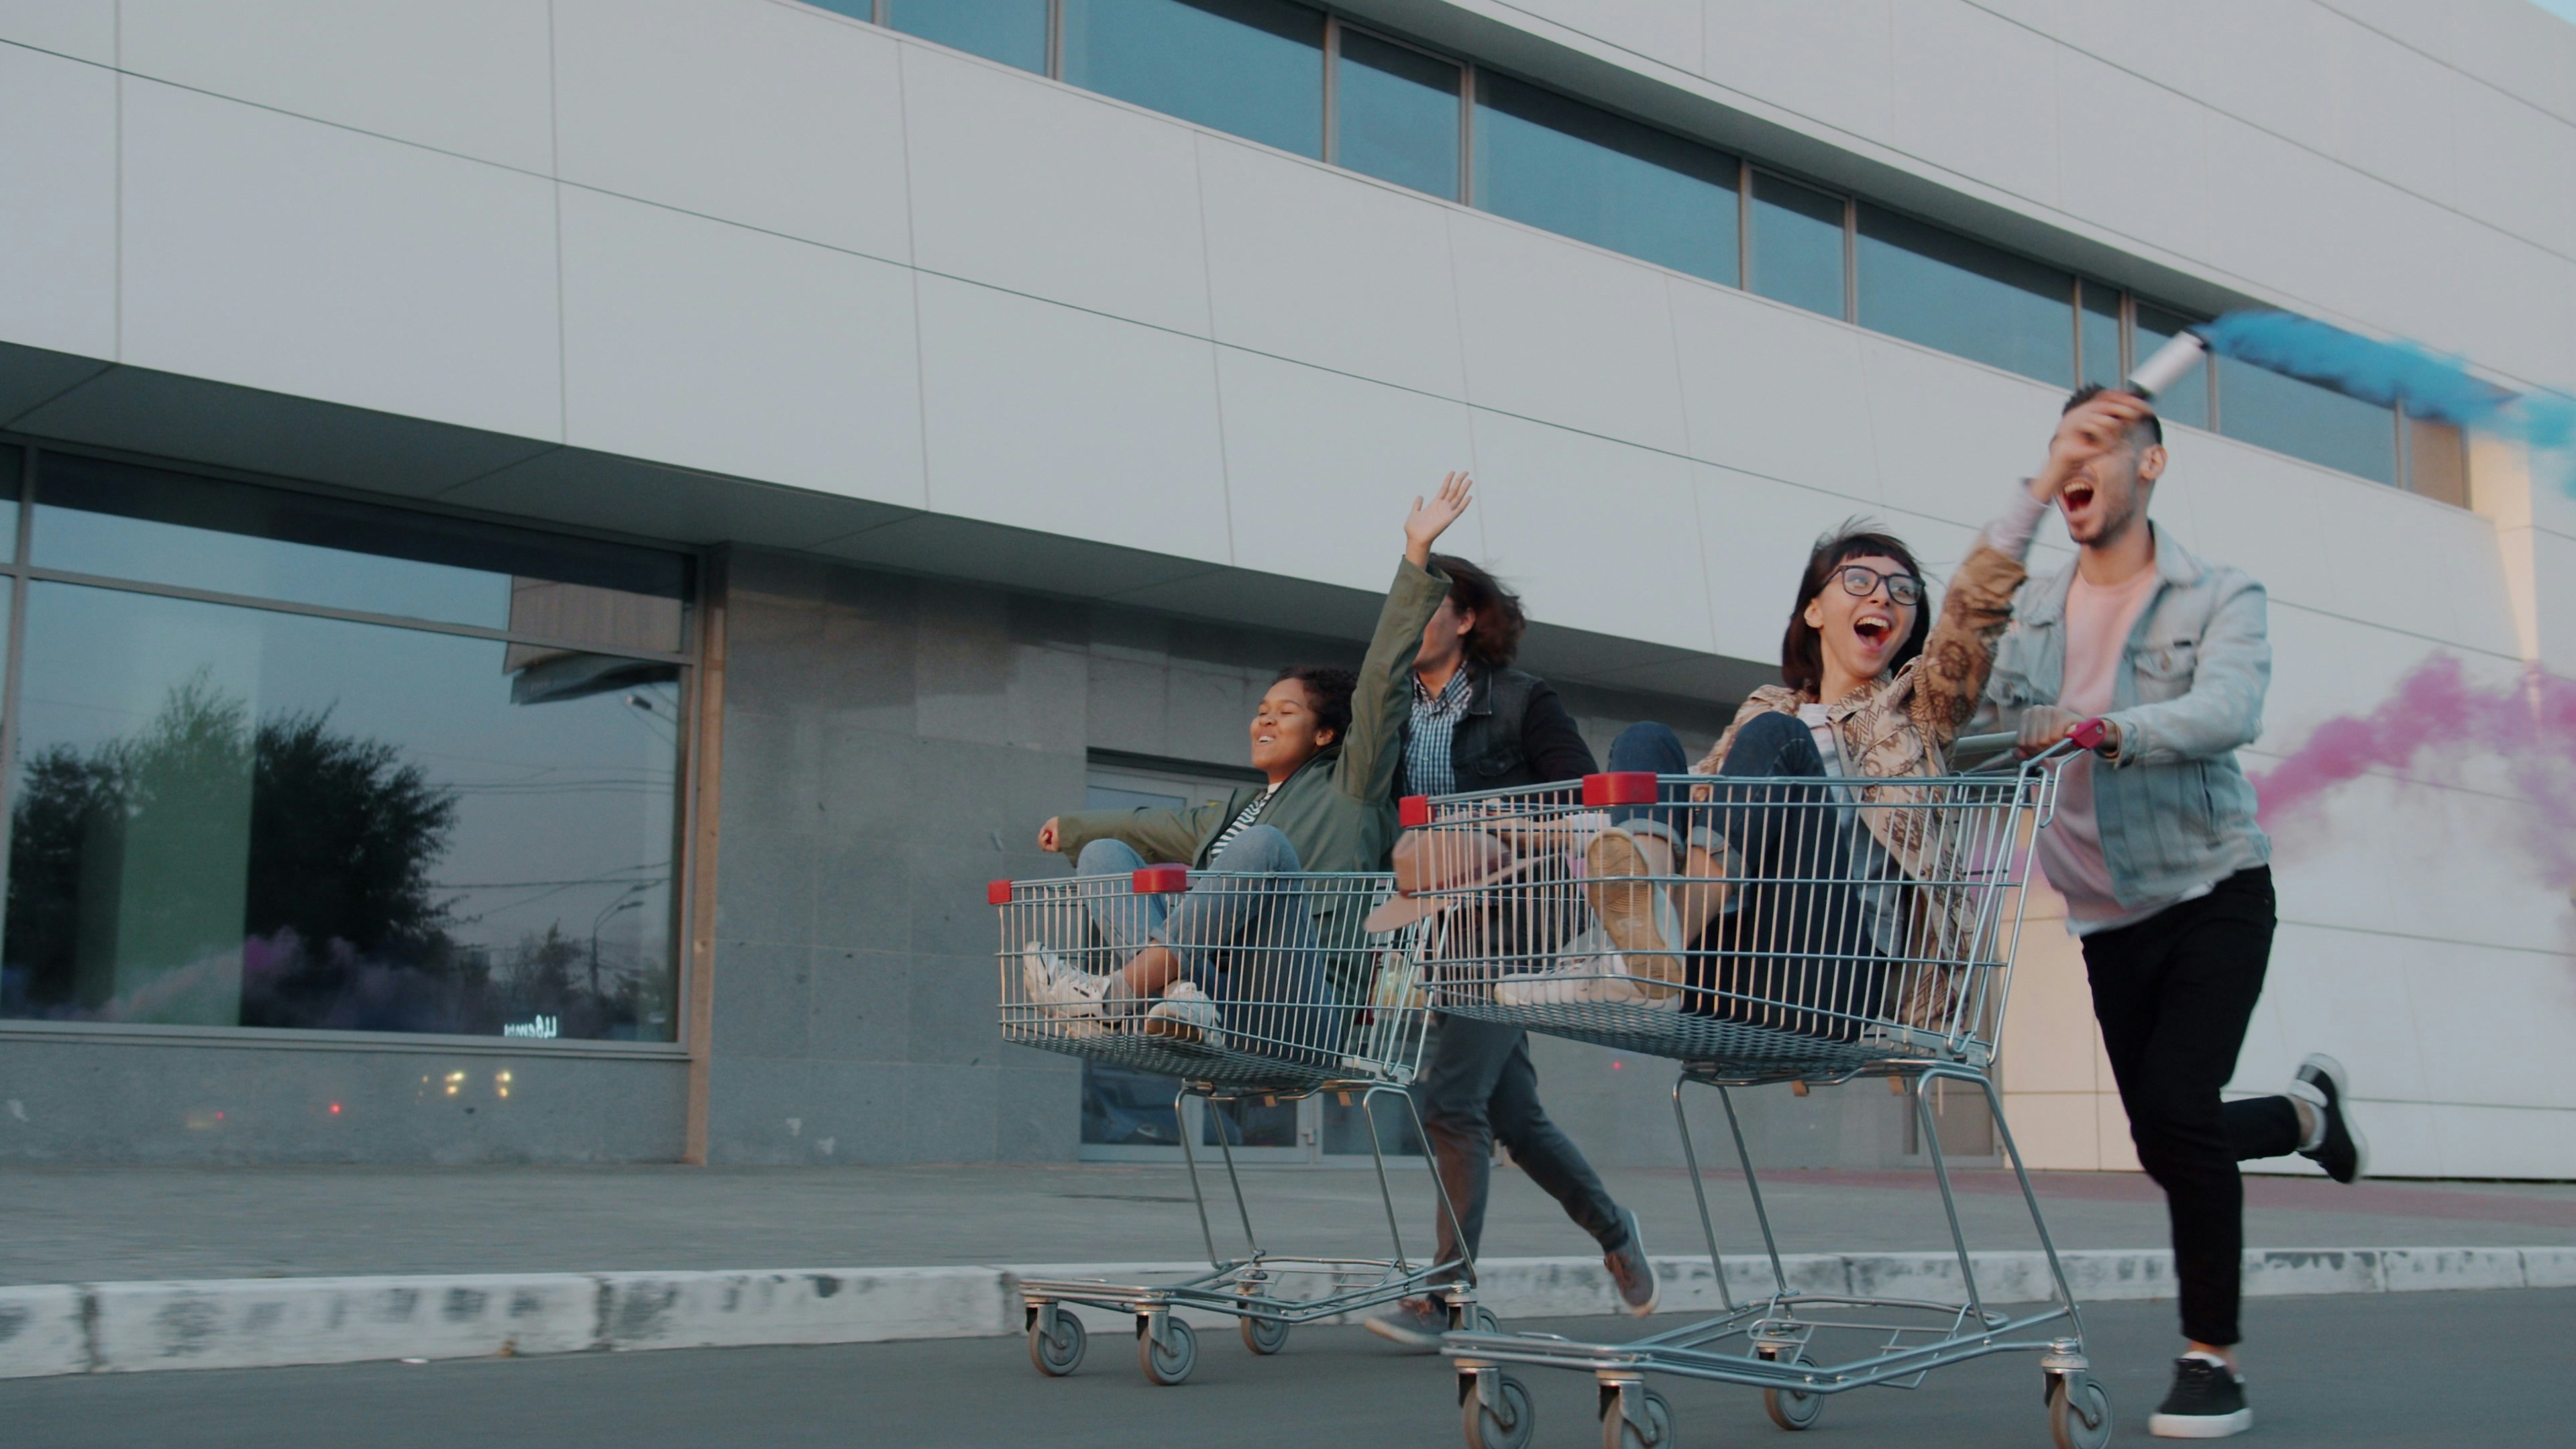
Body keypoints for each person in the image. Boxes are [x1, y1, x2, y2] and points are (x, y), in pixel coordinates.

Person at [1974, 385, 2367, 1440]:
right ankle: (2303, 1118)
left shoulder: (2219, 592)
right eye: (2067, 445)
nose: (2081, 461)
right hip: (2107, 918)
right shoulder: (2040, 605)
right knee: (2164, 1137)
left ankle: (2211, 1360)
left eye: (2104, 439)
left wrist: (2108, 730)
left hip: (2212, 890)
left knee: (2180, 1113)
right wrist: (2017, 510)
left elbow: (2228, 709)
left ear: (2151, 463)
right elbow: (1970, 685)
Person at [1510, 517, 2024, 1040]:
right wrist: (1511, 827)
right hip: (1728, 969)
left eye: (1903, 590)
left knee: (1779, 738)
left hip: (1826, 977)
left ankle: (1639, 958)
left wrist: (2044, 485)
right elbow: (1696, 801)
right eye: (1859, 581)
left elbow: (1973, 621)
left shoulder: (1916, 713)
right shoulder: (1766, 707)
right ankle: (1645, 955)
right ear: (1815, 610)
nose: (1883, 597)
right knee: (1646, 743)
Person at [1020, 475, 1474, 1058]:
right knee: (1104, 854)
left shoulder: (1351, 785)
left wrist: (1415, 555)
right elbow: (1149, 830)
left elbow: (1383, 681)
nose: (1265, 721)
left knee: (1264, 848)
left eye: (1286, 712)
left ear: (1327, 733)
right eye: (1261, 711)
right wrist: (1076, 829)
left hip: (1306, 1008)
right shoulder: (1235, 814)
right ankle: (1158, 993)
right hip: (1222, 998)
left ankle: (1113, 999)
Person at [1362, 555, 1659, 1348]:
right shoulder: (1394, 715)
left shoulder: (1524, 702)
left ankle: (1444, 1296)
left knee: (1450, 1101)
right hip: (1445, 926)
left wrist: (1487, 829)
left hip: (1519, 914)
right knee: (1514, 1117)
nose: (1408, 620)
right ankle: (1614, 1230)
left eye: (1427, 606)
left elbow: (1586, 804)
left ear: (1465, 618)